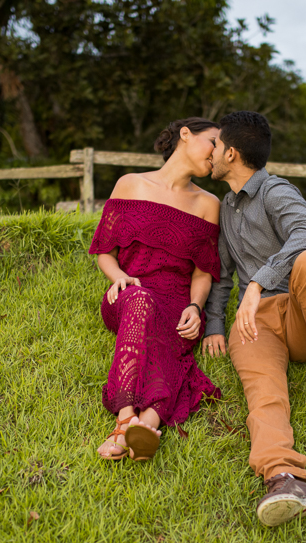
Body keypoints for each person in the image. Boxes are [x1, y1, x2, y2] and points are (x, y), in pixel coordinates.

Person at [202, 110, 306, 527]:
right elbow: (222, 274)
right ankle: (285, 477)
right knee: (264, 395)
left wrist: (259, 284)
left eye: (214, 146)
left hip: (297, 314)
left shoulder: (274, 190)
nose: (210, 153)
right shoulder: (227, 209)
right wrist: (215, 323)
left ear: (230, 153)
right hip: (255, 327)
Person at [90, 118, 223, 462]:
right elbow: (104, 251)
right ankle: (124, 419)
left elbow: (203, 273)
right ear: (185, 135)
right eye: (213, 142)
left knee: (168, 345)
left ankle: (144, 424)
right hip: (128, 294)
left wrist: (195, 308)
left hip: (178, 306)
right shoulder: (130, 184)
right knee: (140, 299)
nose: (217, 153)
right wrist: (118, 276)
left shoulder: (209, 204)